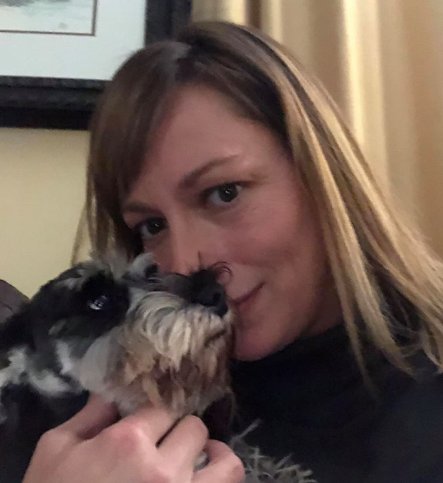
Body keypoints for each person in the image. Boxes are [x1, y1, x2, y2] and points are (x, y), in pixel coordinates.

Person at [23, 21, 443, 483]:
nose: (186, 264)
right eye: (152, 226)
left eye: (224, 193)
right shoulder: (95, 394)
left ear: (321, 174)